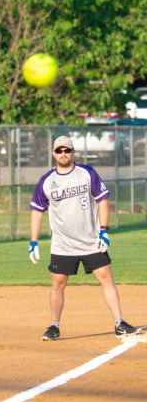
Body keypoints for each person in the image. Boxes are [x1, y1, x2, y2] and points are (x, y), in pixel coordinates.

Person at [29, 134, 142, 342]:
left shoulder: (87, 173)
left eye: (67, 150)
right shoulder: (47, 181)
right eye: (59, 150)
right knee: (58, 284)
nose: (63, 154)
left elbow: (102, 200)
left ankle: (119, 323)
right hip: (63, 244)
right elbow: (37, 211)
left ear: (73, 152)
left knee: (106, 278)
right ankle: (54, 327)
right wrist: (33, 242)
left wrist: (104, 230)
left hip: (91, 240)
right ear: (54, 154)